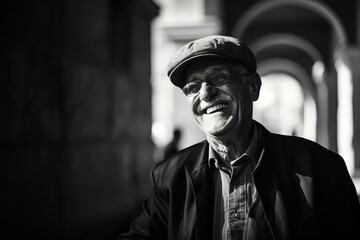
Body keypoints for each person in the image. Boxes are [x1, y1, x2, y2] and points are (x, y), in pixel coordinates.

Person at [117, 35, 360, 240]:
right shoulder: (170, 177)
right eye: (192, 87)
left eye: (219, 77)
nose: (205, 93)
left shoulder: (321, 168)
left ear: (253, 87)